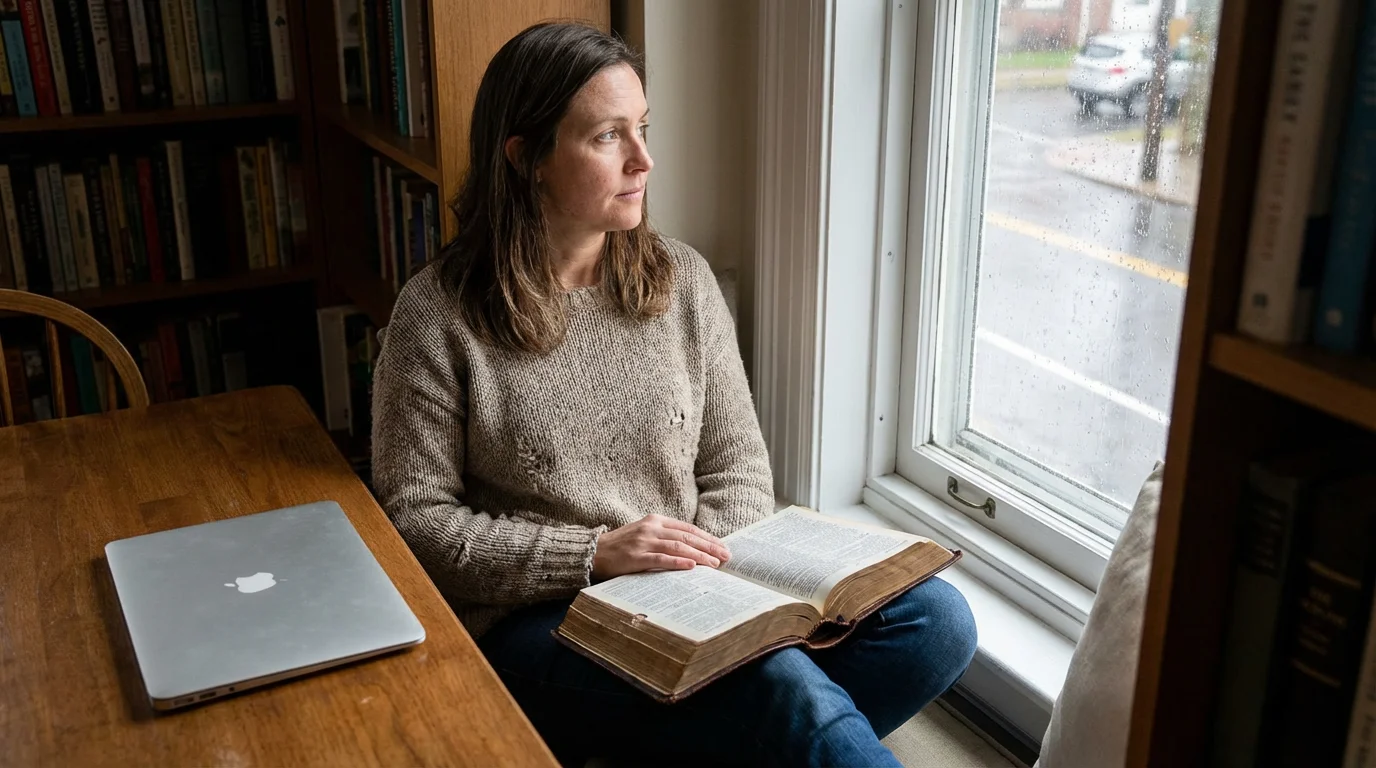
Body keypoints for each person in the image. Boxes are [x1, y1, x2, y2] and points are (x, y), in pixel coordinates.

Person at [370, 21, 978, 768]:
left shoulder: (680, 281)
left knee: (936, 623)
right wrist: (595, 555)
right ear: (527, 158)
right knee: (780, 687)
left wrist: (710, 583)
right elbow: (416, 522)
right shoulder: (436, 315)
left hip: (698, 584)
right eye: (607, 137)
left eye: (644, 129)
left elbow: (738, 466)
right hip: (545, 620)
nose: (644, 160)